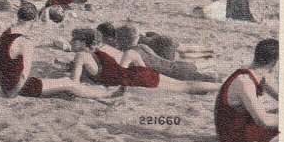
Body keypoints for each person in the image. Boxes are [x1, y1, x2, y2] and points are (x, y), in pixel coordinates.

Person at [0, 7, 121, 100]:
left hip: (8, 84)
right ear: (35, 20)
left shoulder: (6, 34)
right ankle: (107, 95)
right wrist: (12, 94)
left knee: (66, 82)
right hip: (19, 87)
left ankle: (100, 94)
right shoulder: (25, 42)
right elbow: (23, 74)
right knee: (70, 85)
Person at [70, 25, 219, 93]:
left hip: (136, 79)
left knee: (186, 87)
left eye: (74, 40)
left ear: (83, 42)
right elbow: (131, 54)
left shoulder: (84, 56)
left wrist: (119, 77)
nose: (71, 42)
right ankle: (220, 86)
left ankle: (221, 86)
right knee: (186, 85)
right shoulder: (104, 49)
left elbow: (75, 84)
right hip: (140, 71)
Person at [215, 39, 279, 142]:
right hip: (233, 137)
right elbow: (263, 121)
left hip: (238, 126)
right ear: (274, 62)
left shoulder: (255, 73)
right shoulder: (245, 81)